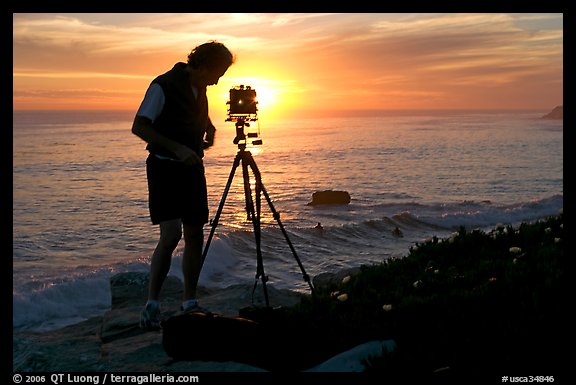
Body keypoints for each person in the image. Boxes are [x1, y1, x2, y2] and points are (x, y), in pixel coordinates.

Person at [132, 41, 235, 330]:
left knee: (195, 234)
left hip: (192, 169)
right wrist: (177, 149)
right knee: (170, 236)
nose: (217, 81)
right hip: (164, 167)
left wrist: (210, 125)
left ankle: (189, 301)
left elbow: (194, 108)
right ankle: (152, 303)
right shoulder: (163, 85)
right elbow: (139, 126)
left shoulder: (199, 85)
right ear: (201, 66)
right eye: (217, 74)